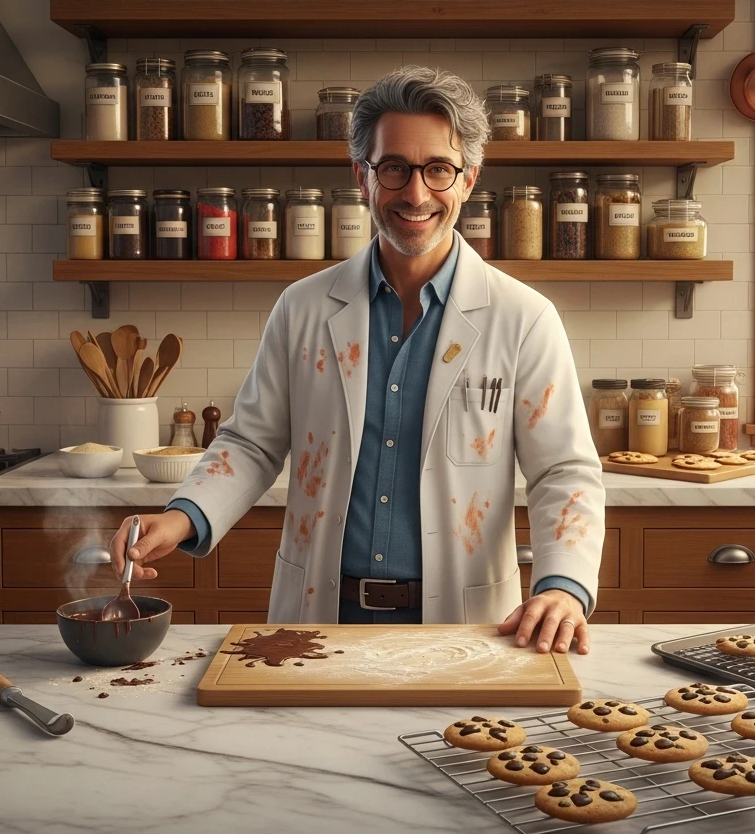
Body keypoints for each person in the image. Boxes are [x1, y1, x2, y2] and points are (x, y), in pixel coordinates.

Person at [111, 66, 606, 654]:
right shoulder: (303, 307)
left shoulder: (523, 318)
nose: (416, 194)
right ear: (362, 177)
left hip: (466, 625)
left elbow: (564, 471)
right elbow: (252, 443)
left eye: (438, 169)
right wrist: (181, 516)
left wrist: (565, 587)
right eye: (394, 167)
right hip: (319, 617)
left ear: (469, 180)